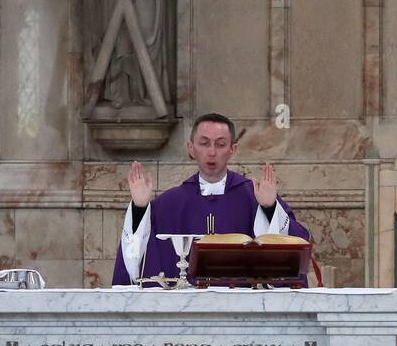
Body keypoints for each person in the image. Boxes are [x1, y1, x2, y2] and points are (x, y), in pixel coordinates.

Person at [112, 113, 311, 285]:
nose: (212, 152)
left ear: (232, 149)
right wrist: (140, 208)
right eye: (204, 143)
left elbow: (297, 244)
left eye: (220, 144)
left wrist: (269, 208)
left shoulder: (254, 196)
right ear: (191, 148)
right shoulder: (170, 202)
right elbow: (135, 256)